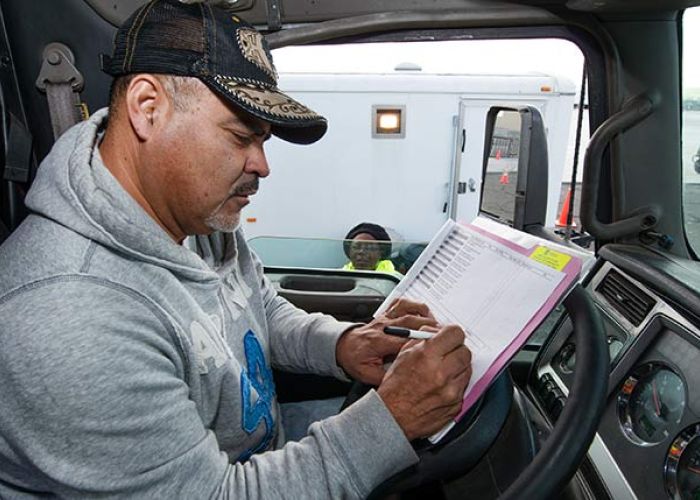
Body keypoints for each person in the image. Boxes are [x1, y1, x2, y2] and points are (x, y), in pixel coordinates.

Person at [0, 1, 472, 498]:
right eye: (240, 136)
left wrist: (341, 344)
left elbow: (256, 306)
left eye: (263, 139)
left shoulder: (194, 213)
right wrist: (390, 422)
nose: (263, 165)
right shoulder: (70, 317)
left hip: (255, 450)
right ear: (147, 108)